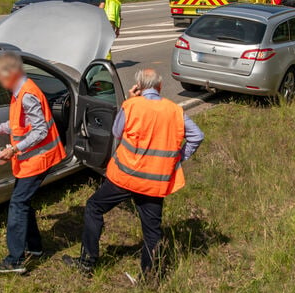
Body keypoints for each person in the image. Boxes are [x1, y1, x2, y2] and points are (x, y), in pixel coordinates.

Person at [63, 69, 204, 279]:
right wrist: (179, 158)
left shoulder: (132, 105)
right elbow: (197, 136)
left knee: (94, 207)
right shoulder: (174, 110)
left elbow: (116, 132)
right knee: (152, 231)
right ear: (160, 87)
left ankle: (87, 261)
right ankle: (149, 276)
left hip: (125, 176)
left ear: (138, 86)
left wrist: (129, 101)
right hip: (155, 181)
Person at [0, 52, 66, 274]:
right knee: (22, 203)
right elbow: (15, 124)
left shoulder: (27, 95)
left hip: (38, 159)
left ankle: (15, 260)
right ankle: (34, 248)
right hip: (30, 159)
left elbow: (41, 130)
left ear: (12, 73)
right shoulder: (20, 91)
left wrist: (13, 149)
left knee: (17, 205)